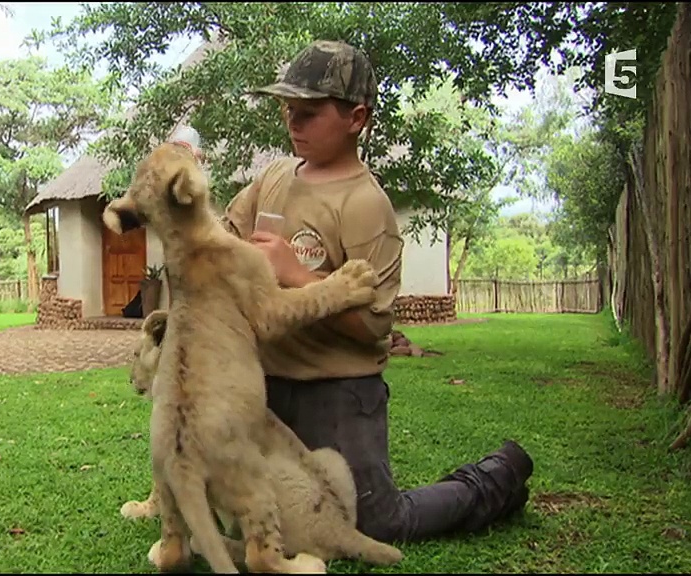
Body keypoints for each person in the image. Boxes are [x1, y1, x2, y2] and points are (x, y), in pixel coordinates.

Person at [218, 39, 534, 543]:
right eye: (287, 109)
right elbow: (226, 236)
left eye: (309, 112)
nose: (292, 123)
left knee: (378, 523)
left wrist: (295, 275)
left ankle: (497, 478)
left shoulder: (365, 205)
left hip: (338, 389)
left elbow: (372, 328)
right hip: (268, 381)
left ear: (356, 118)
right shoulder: (275, 175)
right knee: (251, 511)